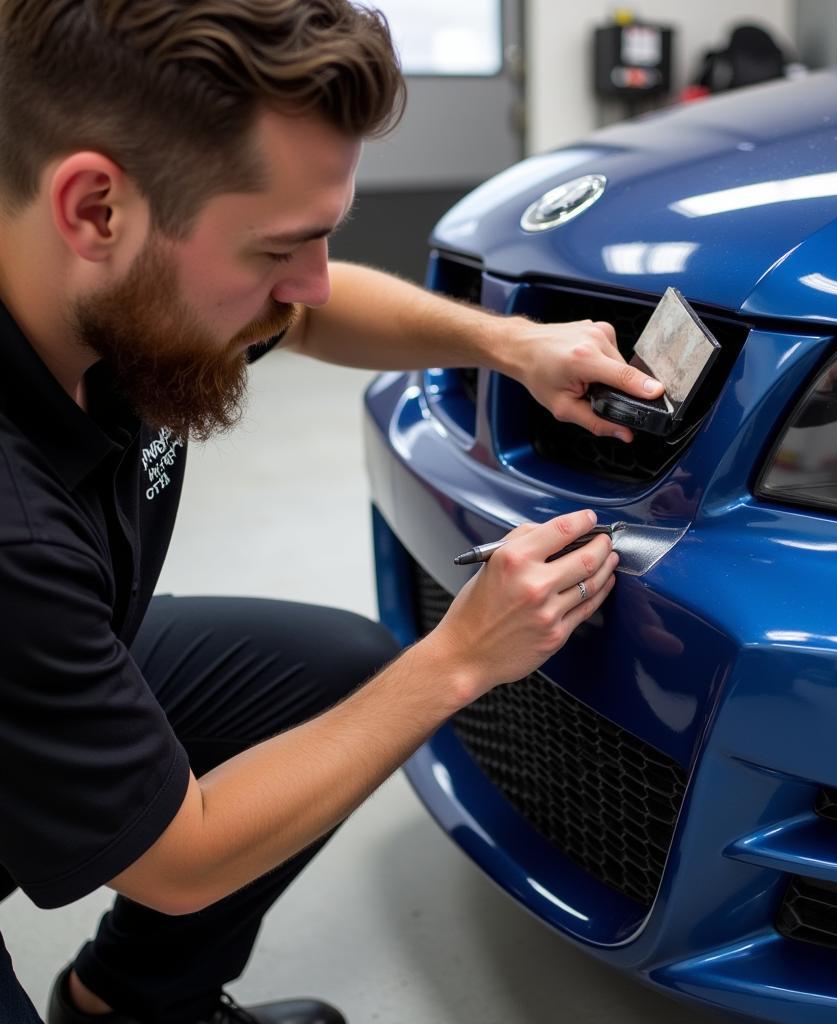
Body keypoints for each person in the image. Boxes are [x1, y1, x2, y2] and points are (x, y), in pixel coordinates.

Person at [0, 3, 665, 1023]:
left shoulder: (102, 287)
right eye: (279, 248)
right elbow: (175, 861)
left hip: (44, 655)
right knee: (397, 683)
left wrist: (511, 345)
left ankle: (128, 1005)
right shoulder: (15, 531)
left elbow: (311, 312)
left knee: (336, 679)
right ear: (95, 209)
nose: (304, 284)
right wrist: (461, 657)